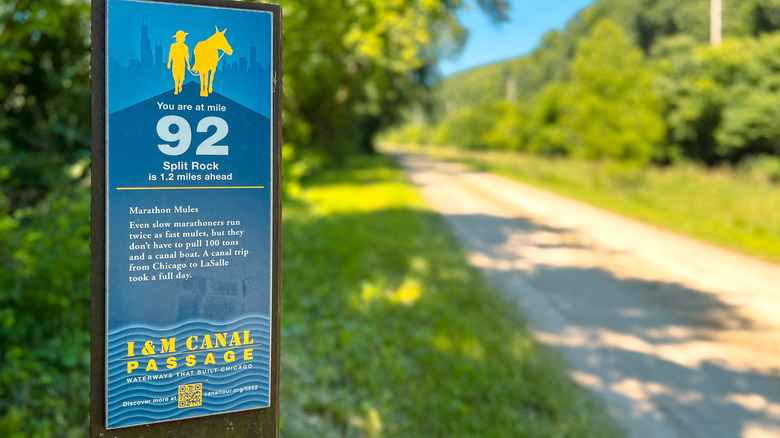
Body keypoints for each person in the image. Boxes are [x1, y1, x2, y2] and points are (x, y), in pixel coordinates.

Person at [167, 30, 191, 95]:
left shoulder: (185, 47)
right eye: (183, 37)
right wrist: (169, 62)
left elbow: (186, 56)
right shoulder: (173, 46)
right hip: (175, 63)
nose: (184, 38)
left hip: (182, 63)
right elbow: (171, 54)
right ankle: (176, 89)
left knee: (182, 77)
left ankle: (180, 85)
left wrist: (188, 64)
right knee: (175, 76)